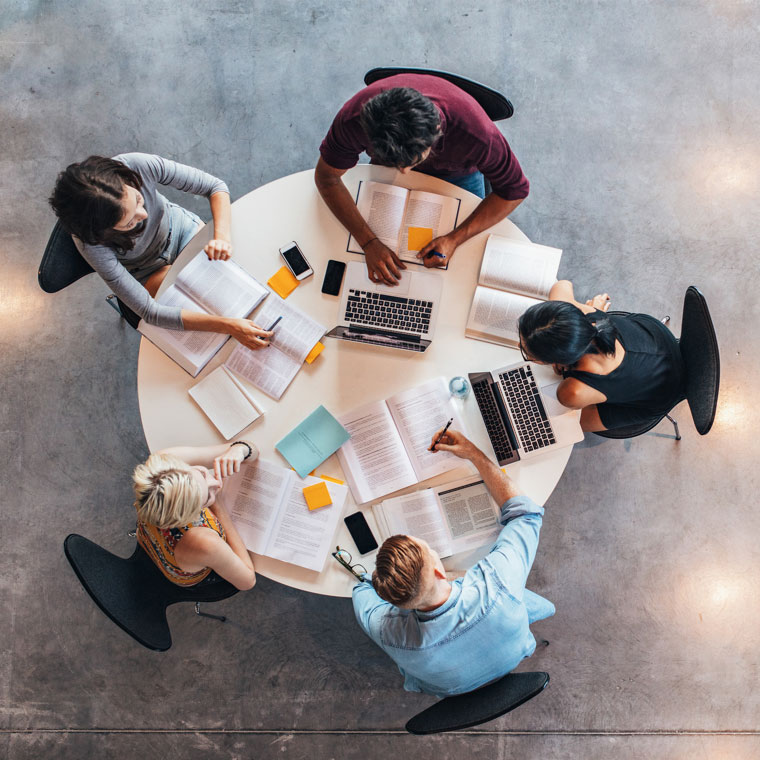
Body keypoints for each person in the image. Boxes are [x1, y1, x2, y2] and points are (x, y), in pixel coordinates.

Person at [352, 429, 554, 697]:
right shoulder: (497, 584)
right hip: (514, 651)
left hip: (450, 689)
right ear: (439, 570)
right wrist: (473, 453)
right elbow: (526, 514)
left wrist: (376, 581)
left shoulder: (388, 632)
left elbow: (361, 592)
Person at [315, 74, 530, 285]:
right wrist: (368, 242)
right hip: (388, 170)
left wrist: (455, 238)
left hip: (459, 173)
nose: (404, 173)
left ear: (437, 131)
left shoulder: (478, 135)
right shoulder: (354, 118)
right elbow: (327, 178)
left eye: (412, 162)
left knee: (462, 265)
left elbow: (514, 191)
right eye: (397, 164)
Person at [49, 153, 271, 350]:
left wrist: (221, 237)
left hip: (183, 232)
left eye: (138, 199)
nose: (143, 215)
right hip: (146, 270)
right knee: (208, 313)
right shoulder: (91, 244)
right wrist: (228, 326)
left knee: (241, 278)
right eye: (129, 223)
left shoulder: (136, 165)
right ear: (103, 232)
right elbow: (150, 312)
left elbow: (215, 187)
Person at [517, 280, 686, 432]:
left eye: (527, 354)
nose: (518, 346)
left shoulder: (571, 392)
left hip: (661, 395)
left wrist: (565, 369)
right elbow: (562, 285)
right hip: (657, 340)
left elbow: (571, 397)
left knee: (566, 425)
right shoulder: (586, 314)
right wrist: (593, 310)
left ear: (553, 361)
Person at [132, 440, 258, 590]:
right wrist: (218, 506)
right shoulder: (205, 542)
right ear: (191, 517)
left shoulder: (164, 462)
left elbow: (251, 449)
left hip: (149, 536)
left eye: (202, 473)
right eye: (207, 497)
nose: (216, 484)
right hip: (186, 572)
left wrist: (240, 450)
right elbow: (248, 581)